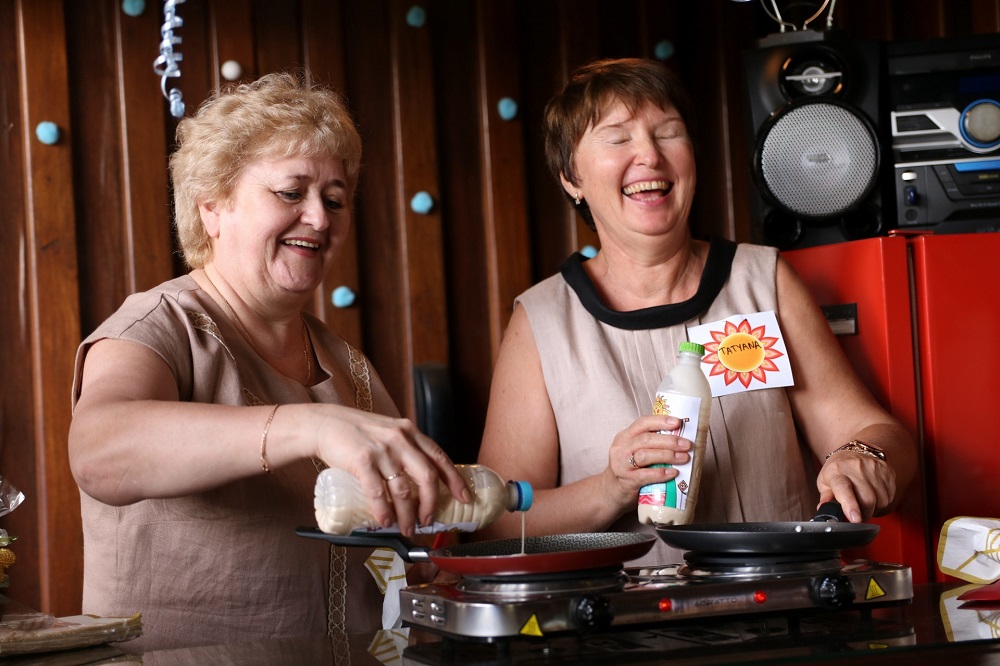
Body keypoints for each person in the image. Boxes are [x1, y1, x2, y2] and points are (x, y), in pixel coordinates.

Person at [68, 71, 470, 652]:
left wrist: (422, 555)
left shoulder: (349, 366)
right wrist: (309, 425)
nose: (320, 218)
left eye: (335, 199)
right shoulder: (159, 323)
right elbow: (98, 451)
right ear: (213, 207)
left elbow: (391, 550)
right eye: (290, 192)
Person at [476, 58, 917, 566]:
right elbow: (497, 523)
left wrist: (864, 458)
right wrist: (610, 488)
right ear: (571, 177)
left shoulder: (762, 281)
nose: (650, 155)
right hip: (619, 615)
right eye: (618, 138)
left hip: (783, 600)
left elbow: (880, 435)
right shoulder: (542, 320)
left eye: (668, 132)